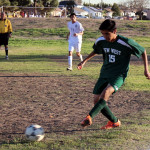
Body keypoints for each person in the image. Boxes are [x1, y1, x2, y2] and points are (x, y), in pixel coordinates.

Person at [77, 19, 150, 129]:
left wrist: (146, 70)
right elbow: (96, 50)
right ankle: (114, 121)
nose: (105, 36)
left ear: (114, 31)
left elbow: (143, 51)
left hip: (118, 75)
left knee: (106, 92)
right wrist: (84, 61)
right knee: (97, 101)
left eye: (107, 33)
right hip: (104, 73)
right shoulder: (101, 41)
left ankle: (89, 117)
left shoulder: (125, 42)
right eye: (102, 33)